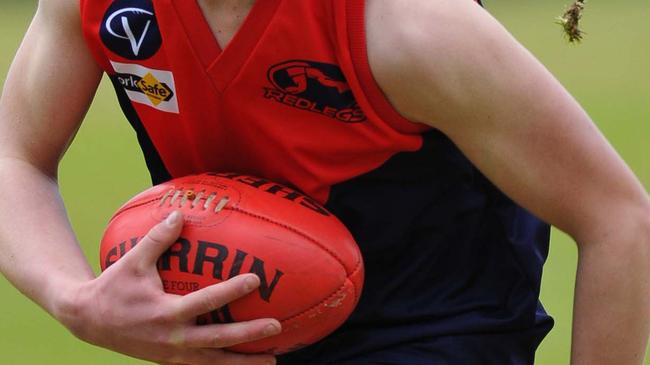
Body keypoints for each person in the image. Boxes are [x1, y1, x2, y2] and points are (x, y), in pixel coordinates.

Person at [0, 0, 648, 364]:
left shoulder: (410, 26)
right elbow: (14, 156)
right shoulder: (98, 7)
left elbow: (619, 220)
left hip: (433, 336)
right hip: (236, 340)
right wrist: (73, 298)